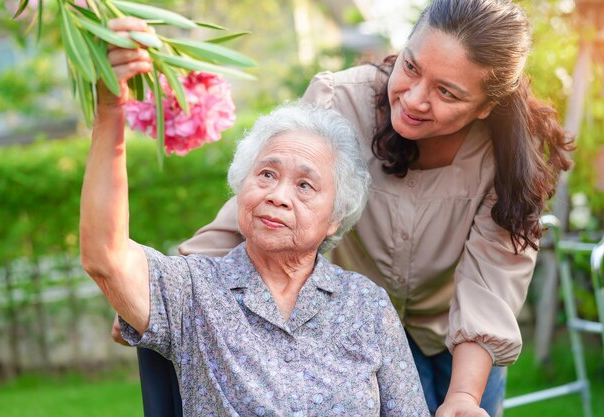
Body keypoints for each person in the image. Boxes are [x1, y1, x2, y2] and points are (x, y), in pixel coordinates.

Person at [173, 1, 575, 416]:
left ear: (486, 106)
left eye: (446, 92)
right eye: (412, 67)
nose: (415, 99)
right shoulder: (339, 102)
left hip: (465, 342)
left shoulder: (507, 157)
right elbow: (269, 198)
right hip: (357, 335)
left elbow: (490, 281)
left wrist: (463, 397)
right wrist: (172, 294)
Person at [81, 18, 430, 415]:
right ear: (241, 186)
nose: (277, 195)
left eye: (304, 186)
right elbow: (104, 257)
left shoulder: (366, 306)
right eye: (266, 174)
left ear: (335, 217)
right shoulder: (194, 293)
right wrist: (111, 109)